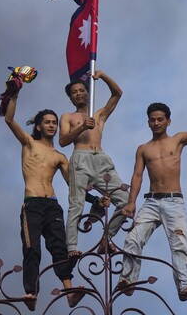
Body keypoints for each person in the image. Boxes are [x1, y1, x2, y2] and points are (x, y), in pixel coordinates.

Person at [116, 91, 187, 301]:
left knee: (179, 243)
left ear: (168, 121)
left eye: (160, 119)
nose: (156, 123)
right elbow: (137, 175)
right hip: (150, 201)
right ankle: (128, 280)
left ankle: (185, 286)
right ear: (148, 123)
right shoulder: (144, 149)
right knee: (133, 237)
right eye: (152, 120)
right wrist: (131, 202)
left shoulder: (177, 140)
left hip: (173, 200)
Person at [4, 90, 84, 311]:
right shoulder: (29, 143)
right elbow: (9, 120)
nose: (52, 126)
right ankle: (31, 293)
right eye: (47, 122)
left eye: (54, 123)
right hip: (32, 204)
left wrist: (95, 198)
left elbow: (73, 186)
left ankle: (69, 292)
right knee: (32, 248)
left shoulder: (60, 156)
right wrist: (16, 94)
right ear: (39, 126)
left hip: (52, 205)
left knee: (59, 247)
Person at [60, 70, 129, 257]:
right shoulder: (67, 117)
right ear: (71, 99)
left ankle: (107, 238)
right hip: (80, 158)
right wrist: (82, 127)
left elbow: (117, 94)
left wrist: (103, 75)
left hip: (101, 159)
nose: (79, 93)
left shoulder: (99, 115)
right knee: (76, 204)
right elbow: (63, 141)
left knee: (125, 200)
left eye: (82, 90)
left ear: (88, 93)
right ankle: (71, 247)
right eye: (74, 92)